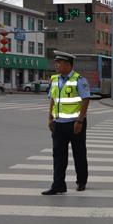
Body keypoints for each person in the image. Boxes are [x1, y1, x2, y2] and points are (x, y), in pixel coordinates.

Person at [42, 51, 91, 195]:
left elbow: (85, 100)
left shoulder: (79, 80)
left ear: (68, 65)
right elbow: (52, 99)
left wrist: (80, 121)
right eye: (56, 63)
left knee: (79, 153)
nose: (56, 65)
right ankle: (58, 185)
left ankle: (81, 181)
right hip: (58, 124)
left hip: (75, 124)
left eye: (59, 63)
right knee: (58, 156)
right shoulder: (55, 79)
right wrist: (50, 118)